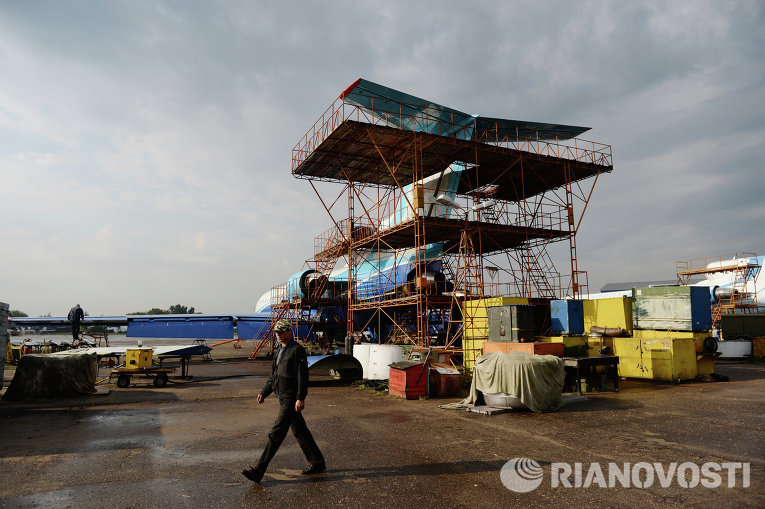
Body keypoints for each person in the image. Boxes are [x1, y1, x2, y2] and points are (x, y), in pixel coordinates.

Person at [242, 320, 325, 483]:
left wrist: (301, 397)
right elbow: (274, 376)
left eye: (281, 332)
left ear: (289, 331)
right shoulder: (279, 350)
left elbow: (303, 376)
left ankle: (259, 471)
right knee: (300, 432)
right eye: (276, 332)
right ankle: (318, 462)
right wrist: (264, 392)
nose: (278, 335)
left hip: (291, 399)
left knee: (276, 434)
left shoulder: (297, 350)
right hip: (282, 397)